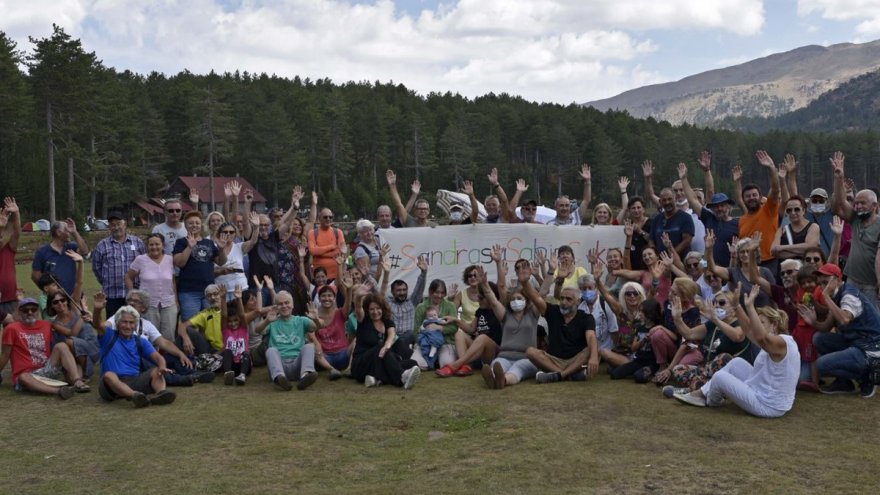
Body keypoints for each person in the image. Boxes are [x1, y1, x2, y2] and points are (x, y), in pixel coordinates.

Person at [674, 285, 800, 419]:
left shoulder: (782, 343)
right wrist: (737, 306)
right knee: (736, 363)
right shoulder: (774, 341)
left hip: (768, 405)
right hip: (761, 391)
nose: (757, 326)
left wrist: (750, 306)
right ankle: (701, 392)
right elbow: (749, 330)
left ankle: (711, 400)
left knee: (720, 377)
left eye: (761, 322)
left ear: (774, 326)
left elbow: (760, 337)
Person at [799, 263, 880, 397]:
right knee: (819, 338)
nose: (823, 287)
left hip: (870, 348)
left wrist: (826, 297)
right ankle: (844, 382)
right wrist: (813, 322)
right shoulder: (836, 296)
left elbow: (844, 319)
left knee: (821, 365)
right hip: (856, 343)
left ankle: (868, 376)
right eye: (821, 283)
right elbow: (826, 327)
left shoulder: (849, 295)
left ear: (837, 280)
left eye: (826, 282)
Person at [102, 289, 208, 386]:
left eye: (136, 301)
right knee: (148, 363)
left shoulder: (146, 324)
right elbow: (103, 327)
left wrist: (181, 354)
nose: (131, 303)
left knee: (173, 357)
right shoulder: (117, 319)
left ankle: (193, 373)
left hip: (150, 357)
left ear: (143, 308)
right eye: (129, 300)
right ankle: (181, 379)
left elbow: (164, 343)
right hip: (132, 360)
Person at [0, 298, 89, 399]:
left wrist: (82, 317)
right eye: (25, 310)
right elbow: (4, 355)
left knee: (61, 346)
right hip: (28, 374)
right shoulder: (12, 328)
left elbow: (71, 333)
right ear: (19, 312)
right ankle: (59, 391)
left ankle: (77, 381)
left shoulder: (47, 324)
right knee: (23, 377)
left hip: (46, 369)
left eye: (33, 309)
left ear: (38, 311)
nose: (30, 312)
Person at [523, 268, 599, 383]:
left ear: (578, 302)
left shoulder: (586, 317)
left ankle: (559, 375)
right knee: (530, 352)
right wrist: (524, 282)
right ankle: (569, 375)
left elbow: (591, 337)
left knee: (592, 348)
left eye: (568, 299)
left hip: (576, 360)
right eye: (562, 298)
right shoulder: (553, 311)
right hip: (554, 360)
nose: (563, 302)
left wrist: (593, 357)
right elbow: (536, 298)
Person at [95, 302, 176, 408]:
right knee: (109, 375)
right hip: (111, 386)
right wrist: (97, 309)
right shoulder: (109, 336)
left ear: (136, 325)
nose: (128, 326)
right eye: (124, 322)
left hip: (134, 380)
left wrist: (162, 367)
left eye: (131, 323)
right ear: (117, 323)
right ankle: (135, 396)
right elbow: (97, 324)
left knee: (156, 371)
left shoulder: (140, 341)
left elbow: (158, 357)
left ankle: (161, 394)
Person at [830, 151, 880, 308]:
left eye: (862, 203)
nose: (858, 206)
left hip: (872, 284)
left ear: (875, 205)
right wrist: (839, 177)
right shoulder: (855, 219)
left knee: (874, 318)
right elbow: (839, 202)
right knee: (850, 314)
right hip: (852, 280)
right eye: (856, 203)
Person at [351, 290, 421, 389]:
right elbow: (358, 308)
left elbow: (392, 334)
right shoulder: (364, 320)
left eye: (378, 308)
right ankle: (402, 377)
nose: (375, 312)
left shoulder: (387, 321)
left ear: (383, 308)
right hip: (361, 364)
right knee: (380, 348)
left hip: (379, 361)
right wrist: (358, 297)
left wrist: (387, 346)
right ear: (367, 310)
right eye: (371, 309)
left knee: (413, 363)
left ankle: (375, 377)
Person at [255, 290, 320, 391]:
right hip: (279, 365)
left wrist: (316, 319)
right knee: (271, 350)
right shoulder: (272, 322)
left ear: (292, 305)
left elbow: (316, 327)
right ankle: (280, 378)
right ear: (276, 307)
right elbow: (258, 330)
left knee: (309, 346)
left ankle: (305, 376)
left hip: (298, 364)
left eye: (287, 302)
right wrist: (266, 320)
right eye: (280, 304)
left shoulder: (301, 320)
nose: (284, 306)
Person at [173, 211, 230, 320]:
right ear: (185, 225)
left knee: (210, 324)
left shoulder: (208, 242)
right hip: (189, 292)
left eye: (197, 223)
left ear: (201, 225)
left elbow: (221, 262)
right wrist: (189, 247)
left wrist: (221, 249)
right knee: (191, 324)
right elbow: (179, 263)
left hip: (210, 292)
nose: (194, 225)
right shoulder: (181, 242)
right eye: (190, 223)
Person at [91, 211, 146, 316]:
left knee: (134, 322)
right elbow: (96, 267)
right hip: (112, 295)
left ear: (125, 224)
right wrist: (106, 280)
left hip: (135, 294)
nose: (116, 227)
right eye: (112, 225)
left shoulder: (138, 242)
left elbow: (145, 264)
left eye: (118, 224)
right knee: (113, 324)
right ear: (109, 227)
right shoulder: (102, 245)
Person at [126, 233, 177, 340]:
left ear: (163, 245)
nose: (154, 247)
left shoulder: (170, 260)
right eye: (151, 244)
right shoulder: (140, 260)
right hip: (148, 305)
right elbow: (128, 277)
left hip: (169, 303)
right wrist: (132, 296)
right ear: (147, 246)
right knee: (150, 337)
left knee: (169, 336)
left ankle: (167, 352)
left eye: (157, 244)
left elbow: (172, 281)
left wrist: (176, 301)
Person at [739, 150, 782, 272]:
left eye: (754, 195)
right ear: (743, 200)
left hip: (770, 261)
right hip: (749, 263)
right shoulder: (741, 220)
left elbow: (775, 189)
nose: (751, 198)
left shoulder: (769, 210)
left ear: (760, 197)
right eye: (748, 196)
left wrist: (771, 168)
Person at [386, 255, 428, 365]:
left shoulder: (412, 302)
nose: (402, 293)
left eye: (404, 290)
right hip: (393, 338)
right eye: (399, 290)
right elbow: (377, 290)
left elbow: (419, 288)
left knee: (410, 333)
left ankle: (399, 358)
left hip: (408, 338)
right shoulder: (387, 303)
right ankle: (401, 358)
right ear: (393, 292)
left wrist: (423, 273)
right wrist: (367, 275)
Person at [31, 218, 89, 295]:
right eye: (67, 230)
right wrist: (48, 290)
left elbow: (84, 251)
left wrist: (75, 232)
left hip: (72, 296)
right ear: (58, 233)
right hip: (54, 299)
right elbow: (35, 276)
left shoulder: (71, 247)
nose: (69, 232)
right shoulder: (42, 252)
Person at [414, 279, 459, 368]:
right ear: (430, 292)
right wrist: (422, 341)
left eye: (442, 293)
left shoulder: (450, 306)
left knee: (447, 364)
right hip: (426, 343)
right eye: (437, 292)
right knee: (418, 364)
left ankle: (438, 359)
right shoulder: (421, 307)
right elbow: (416, 330)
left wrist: (440, 328)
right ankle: (431, 359)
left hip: (445, 342)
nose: (439, 295)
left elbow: (454, 328)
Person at [771, 196, 820, 263]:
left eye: (796, 209)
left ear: (803, 210)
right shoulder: (781, 230)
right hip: (786, 268)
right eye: (789, 210)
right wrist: (801, 252)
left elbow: (810, 248)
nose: (793, 213)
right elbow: (774, 251)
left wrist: (782, 248)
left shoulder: (813, 227)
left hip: (806, 268)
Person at [649, 187, 694, 257]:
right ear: (660, 202)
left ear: (675, 199)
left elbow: (687, 241)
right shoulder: (656, 219)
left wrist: (671, 255)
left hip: (681, 260)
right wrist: (653, 253)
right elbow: (651, 240)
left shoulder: (686, 217)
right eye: (664, 200)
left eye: (670, 199)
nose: (667, 202)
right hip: (660, 260)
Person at [220, 286, 250, 385]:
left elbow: (242, 315)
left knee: (246, 354)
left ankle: (242, 376)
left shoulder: (243, 329)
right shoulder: (226, 331)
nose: (233, 323)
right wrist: (223, 298)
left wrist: (239, 298)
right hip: (231, 364)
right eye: (230, 321)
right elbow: (224, 316)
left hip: (243, 364)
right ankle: (228, 374)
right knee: (227, 351)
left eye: (235, 320)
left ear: (239, 320)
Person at [308, 208, 345, 282]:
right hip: (319, 278)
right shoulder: (312, 233)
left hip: (336, 276)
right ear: (319, 219)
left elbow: (340, 251)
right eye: (325, 217)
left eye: (330, 217)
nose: (328, 219)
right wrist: (332, 247)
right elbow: (313, 251)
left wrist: (319, 252)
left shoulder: (338, 232)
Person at [0, 197, 21, 315]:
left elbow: (17, 234)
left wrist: (16, 213)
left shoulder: (8, 250)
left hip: (11, 300)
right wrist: (1, 227)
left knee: (13, 326)